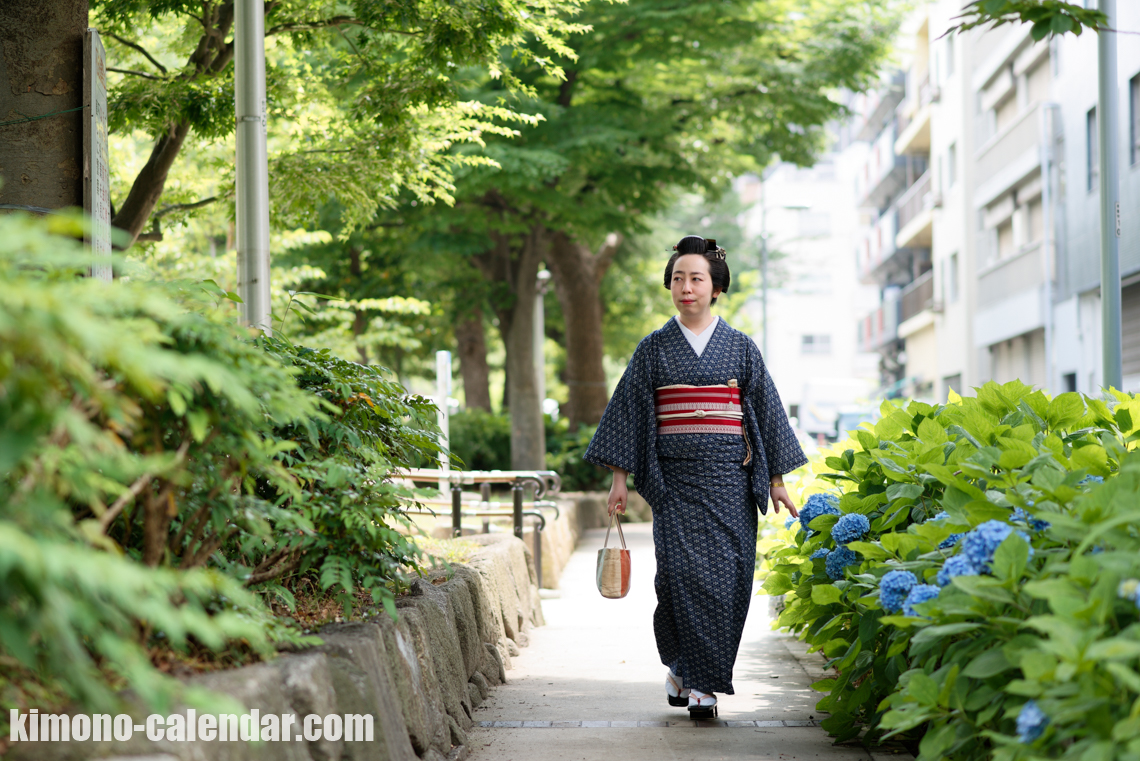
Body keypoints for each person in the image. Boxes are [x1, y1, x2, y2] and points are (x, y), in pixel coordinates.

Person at [584, 234, 806, 719]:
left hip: (730, 482)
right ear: (671, 285)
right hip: (674, 484)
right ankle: (688, 671)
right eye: (678, 278)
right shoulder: (653, 349)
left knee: (728, 581)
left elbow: (766, 413)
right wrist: (619, 479)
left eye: (696, 278)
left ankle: (701, 678)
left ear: (716, 288)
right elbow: (628, 412)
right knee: (679, 580)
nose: (686, 287)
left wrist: (776, 481)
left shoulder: (742, 349)